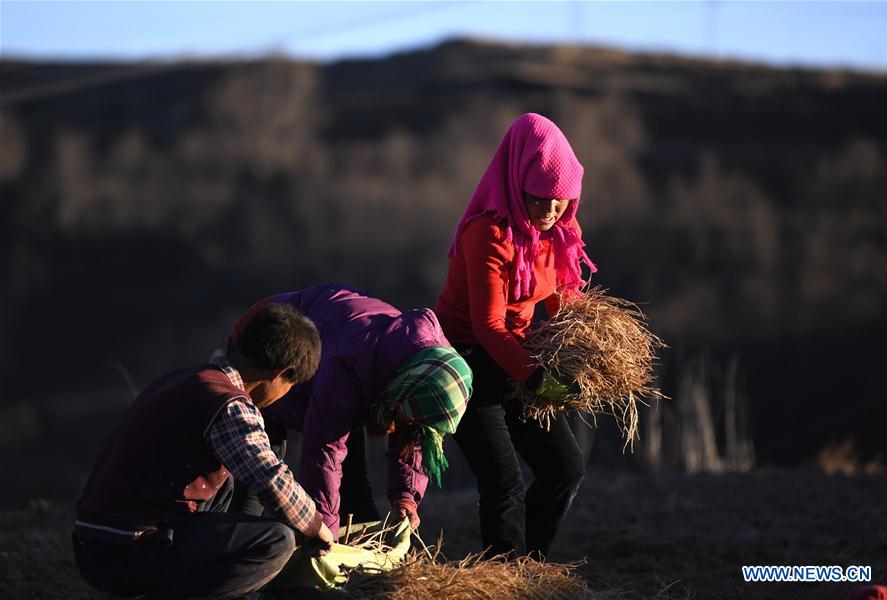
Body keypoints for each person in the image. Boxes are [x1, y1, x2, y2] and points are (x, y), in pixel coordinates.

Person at [72, 303, 331, 600]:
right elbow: (268, 477)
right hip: (126, 551)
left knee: (224, 482)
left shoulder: (186, 380)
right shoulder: (228, 403)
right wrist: (315, 526)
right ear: (280, 373)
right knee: (276, 541)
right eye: (291, 385)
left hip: (96, 540)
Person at [435, 112, 598, 559]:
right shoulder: (487, 233)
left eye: (560, 201)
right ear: (516, 184)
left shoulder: (561, 232)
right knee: (502, 480)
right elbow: (488, 326)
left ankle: (529, 569)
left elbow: (562, 298)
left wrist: (584, 346)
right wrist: (539, 380)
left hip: (514, 355)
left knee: (564, 467)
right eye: (538, 198)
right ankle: (504, 577)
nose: (549, 211)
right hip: (465, 361)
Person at [229, 283, 473, 539]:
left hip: (330, 360)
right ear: (401, 392)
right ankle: (238, 552)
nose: (407, 424)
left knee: (352, 485)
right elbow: (323, 450)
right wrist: (322, 532)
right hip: (266, 343)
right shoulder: (352, 362)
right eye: (408, 416)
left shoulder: (433, 368)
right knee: (260, 474)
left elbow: (414, 432)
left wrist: (406, 498)